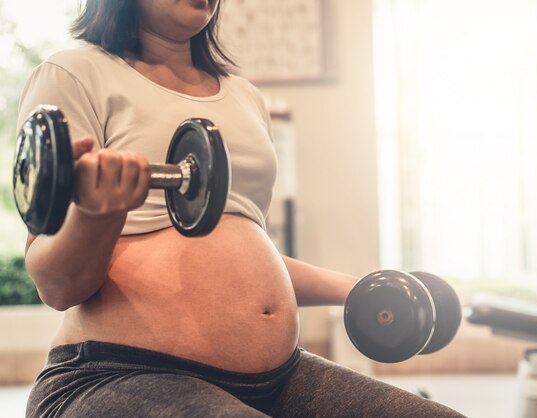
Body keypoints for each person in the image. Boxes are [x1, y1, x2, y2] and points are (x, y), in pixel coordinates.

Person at [18, 0, 465, 417]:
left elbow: (241, 255)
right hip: (113, 372)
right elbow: (55, 286)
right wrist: (99, 213)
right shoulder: (75, 74)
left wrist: (362, 288)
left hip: (278, 376)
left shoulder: (243, 96)